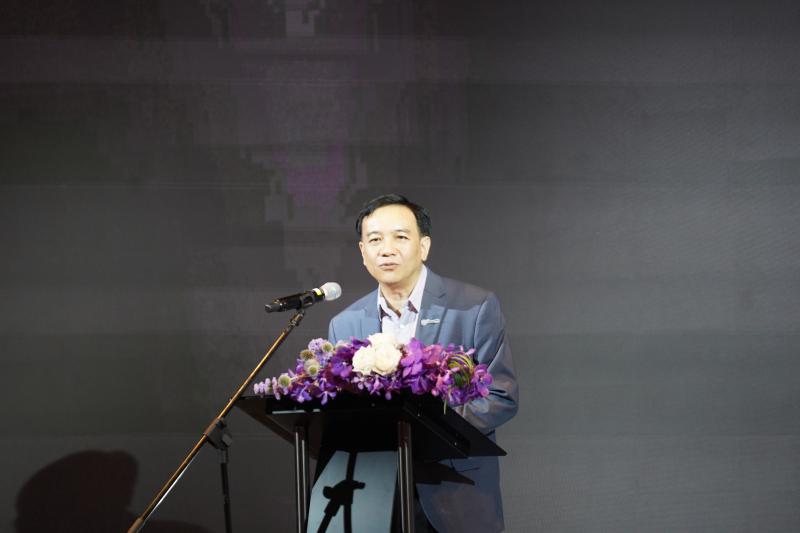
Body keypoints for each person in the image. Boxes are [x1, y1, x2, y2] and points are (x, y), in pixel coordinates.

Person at [328, 194, 519, 532]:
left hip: (455, 491)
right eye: (375, 240)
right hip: (375, 495)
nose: (387, 250)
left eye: (400, 237)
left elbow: (500, 397)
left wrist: (428, 428)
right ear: (363, 252)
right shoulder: (344, 324)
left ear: (424, 246)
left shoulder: (473, 308)